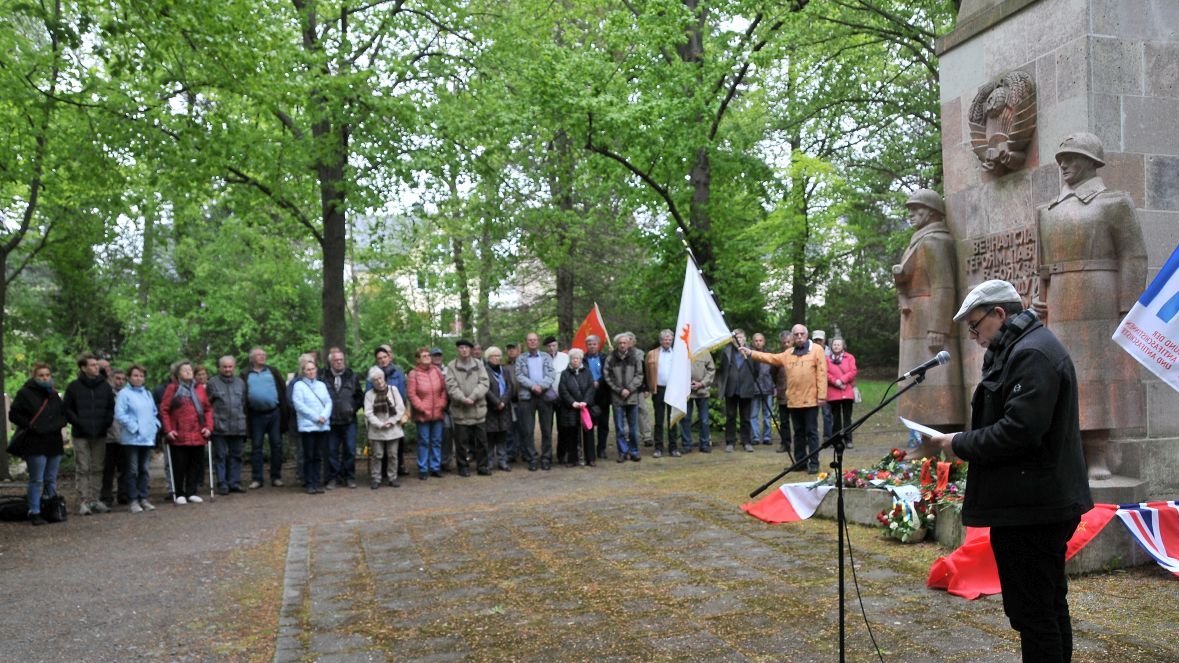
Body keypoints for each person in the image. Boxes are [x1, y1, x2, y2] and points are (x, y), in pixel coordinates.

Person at [930, 280, 1091, 663]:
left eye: (976, 325)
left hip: (1035, 508)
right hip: (1030, 503)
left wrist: (959, 443)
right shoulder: (1019, 348)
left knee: (1036, 614)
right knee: (1046, 606)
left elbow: (1020, 431)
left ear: (999, 314)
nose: (974, 336)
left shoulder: (1032, 353)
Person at [1034, 132, 1147, 481]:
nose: (1064, 164)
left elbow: (1134, 254)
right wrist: (1041, 297)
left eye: (1072, 157)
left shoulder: (1113, 203)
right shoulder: (1047, 211)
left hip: (1099, 294)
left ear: (1091, 162)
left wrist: (1126, 304)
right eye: (1061, 159)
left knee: (1097, 374)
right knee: (1062, 372)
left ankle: (1098, 450)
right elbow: (1043, 263)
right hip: (1060, 300)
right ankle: (1070, 449)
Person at [892, 188, 966, 440]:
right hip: (917, 318)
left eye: (917, 209)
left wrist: (938, 327)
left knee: (937, 382)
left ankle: (941, 439)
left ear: (933, 212)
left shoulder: (935, 240)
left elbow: (944, 286)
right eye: (910, 209)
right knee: (920, 385)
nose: (911, 214)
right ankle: (925, 439)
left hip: (929, 322)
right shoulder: (921, 239)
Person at [743, 324, 827, 473]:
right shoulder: (788, 354)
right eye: (796, 334)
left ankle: (814, 463)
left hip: (811, 399)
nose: (799, 337)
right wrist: (751, 353)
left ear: (806, 335)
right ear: (793, 337)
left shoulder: (817, 350)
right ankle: (800, 462)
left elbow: (822, 374)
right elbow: (770, 357)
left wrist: (822, 396)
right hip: (794, 401)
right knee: (798, 433)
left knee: (812, 433)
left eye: (802, 334)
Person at [9, 363, 67, 526]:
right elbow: (14, 415)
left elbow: (63, 415)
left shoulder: (54, 395)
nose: (45, 378)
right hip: (35, 441)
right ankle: (34, 511)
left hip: (53, 441)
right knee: (37, 479)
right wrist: (32, 426)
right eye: (41, 375)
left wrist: (58, 424)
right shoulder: (25, 393)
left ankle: (50, 507)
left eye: (47, 375)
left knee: (51, 478)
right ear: (35, 376)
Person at [64, 353, 116, 515]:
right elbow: (67, 409)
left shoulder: (105, 386)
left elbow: (110, 407)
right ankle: (84, 500)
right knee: (83, 467)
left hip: (100, 433)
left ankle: (95, 499)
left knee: (98, 467)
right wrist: (79, 422)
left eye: (97, 365)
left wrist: (105, 423)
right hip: (81, 434)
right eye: (92, 365)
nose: (96, 367)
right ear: (83, 367)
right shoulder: (73, 387)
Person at [161, 361, 213, 504]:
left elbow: (207, 409)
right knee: (180, 464)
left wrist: (208, 427)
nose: (188, 372)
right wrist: (168, 429)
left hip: (197, 432)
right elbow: (164, 410)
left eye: (190, 370)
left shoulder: (200, 389)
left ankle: (191, 491)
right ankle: (179, 493)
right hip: (178, 433)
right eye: (185, 370)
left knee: (195, 463)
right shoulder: (172, 388)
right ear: (178, 374)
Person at [242, 347, 289, 489]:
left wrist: (284, 411)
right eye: (259, 355)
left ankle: (276, 476)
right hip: (256, 415)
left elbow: (282, 390)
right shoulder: (245, 374)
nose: (262, 357)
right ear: (252, 358)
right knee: (256, 447)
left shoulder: (272, 371)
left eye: (264, 355)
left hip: (274, 413)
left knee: (276, 445)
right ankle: (257, 478)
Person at [115, 365, 160, 513]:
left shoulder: (147, 393)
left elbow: (154, 412)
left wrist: (155, 425)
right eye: (135, 375)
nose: (138, 378)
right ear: (129, 377)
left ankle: (143, 497)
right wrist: (134, 427)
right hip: (131, 438)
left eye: (141, 376)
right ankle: (133, 499)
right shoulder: (124, 394)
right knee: (132, 470)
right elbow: (120, 414)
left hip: (147, 438)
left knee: (144, 469)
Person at [445, 339, 491, 477]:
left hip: (478, 409)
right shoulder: (451, 366)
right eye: (461, 348)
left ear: (471, 350)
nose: (464, 350)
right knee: (461, 443)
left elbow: (484, 383)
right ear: (458, 350)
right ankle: (463, 467)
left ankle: (482, 466)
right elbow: (451, 386)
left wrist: (473, 396)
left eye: (466, 347)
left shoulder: (479, 365)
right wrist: (462, 398)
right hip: (461, 410)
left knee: (482, 442)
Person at [206, 355, 247, 495]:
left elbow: (243, 402)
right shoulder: (212, 382)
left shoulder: (240, 382)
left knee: (236, 455)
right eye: (225, 367)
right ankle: (222, 483)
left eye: (230, 366)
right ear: (219, 367)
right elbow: (207, 404)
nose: (227, 369)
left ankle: (234, 482)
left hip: (237, 425)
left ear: (234, 367)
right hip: (219, 426)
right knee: (221, 456)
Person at [515, 332, 556, 471]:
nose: (532, 342)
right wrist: (533, 386)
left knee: (546, 429)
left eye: (534, 340)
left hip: (544, 396)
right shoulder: (521, 358)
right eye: (529, 340)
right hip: (527, 396)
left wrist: (541, 386)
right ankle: (532, 458)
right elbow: (519, 375)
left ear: (538, 342)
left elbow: (551, 374)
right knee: (528, 429)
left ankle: (546, 458)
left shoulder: (546, 357)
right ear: (526, 342)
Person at [323, 348, 363, 489]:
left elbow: (359, 396)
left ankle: (349, 477)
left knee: (350, 450)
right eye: (336, 360)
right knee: (332, 451)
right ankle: (333, 478)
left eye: (341, 359)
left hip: (349, 420)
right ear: (330, 362)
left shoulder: (352, 376)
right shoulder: (323, 377)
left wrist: (353, 409)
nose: (339, 362)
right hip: (331, 421)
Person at [291, 356, 332, 494]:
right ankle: (309, 483)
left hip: (322, 426)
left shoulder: (321, 385)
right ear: (303, 371)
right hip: (308, 427)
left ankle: (316, 482)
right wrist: (316, 418)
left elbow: (328, 402)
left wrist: (324, 416)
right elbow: (299, 405)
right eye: (308, 370)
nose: (311, 372)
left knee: (318, 455)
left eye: (313, 369)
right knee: (308, 455)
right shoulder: (298, 386)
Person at [407, 346, 448, 480]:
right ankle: (423, 468)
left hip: (437, 411)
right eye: (424, 356)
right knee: (424, 441)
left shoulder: (436, 371)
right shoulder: (414, 374)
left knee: (437, 440)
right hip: (422, 413)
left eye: (428, 356)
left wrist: (442, 403)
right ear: (418, 359)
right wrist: (421, 407)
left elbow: (443, 390)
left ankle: (435, 467)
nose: (427, 358)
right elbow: (412, 394)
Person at [603, 331, 644, 462]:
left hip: (632, 397)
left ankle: (634, 451)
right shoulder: (611, 358)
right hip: (617, 398)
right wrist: (620, 390)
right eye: (620, 343)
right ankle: (622, 452)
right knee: (620, 428)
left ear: (629, 344)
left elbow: (640, 375)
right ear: (617, 344)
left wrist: (630, 389)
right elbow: (607, 376)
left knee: (633, 428)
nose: (622, 345)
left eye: (625, 343)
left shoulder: (635, 357)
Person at [363, 366, 407, 489]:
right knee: (377, 455)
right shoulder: (369, 395)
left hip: (393, 428)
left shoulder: (394, 390)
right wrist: (379, 423)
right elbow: (368, 412)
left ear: (384, 377)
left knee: (393, 455)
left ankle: (393, 477)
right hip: (377, 429)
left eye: (380, 378)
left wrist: (392, 421)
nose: (379, 381)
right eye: (375, 379)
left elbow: (400, 408)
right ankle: (376, 478)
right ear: (372, 382)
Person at [716, 329, 757, 453]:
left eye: (740, 337)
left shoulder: (751, 352)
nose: (738, 340)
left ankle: (746, 442)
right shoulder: (727, 352)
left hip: (746, 388)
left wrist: (750, 382)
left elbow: (756, 371)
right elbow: (722, 370)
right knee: (731, 416)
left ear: (745, 338)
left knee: (746, 418)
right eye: (736, 338)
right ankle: (730, 442)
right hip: (731, 389)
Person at [372, 344, 408, 479]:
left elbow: (403, 393)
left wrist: (400, 411)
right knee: (381, 443)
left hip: (396, 412)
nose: (382, 360)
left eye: (385, 357)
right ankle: (381, 471)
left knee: (397, 443)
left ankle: (396, 468)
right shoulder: (373, 373)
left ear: (389, 357)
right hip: (380, 413)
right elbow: (369, 394)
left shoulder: (398, 372)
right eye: (379, 358)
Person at [557, 348, 597, 467]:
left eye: (578, 358)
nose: (575, 361)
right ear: (570, 360)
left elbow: (591, 388)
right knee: (571, 433)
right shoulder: (565, 373)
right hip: (570, 408)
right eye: (573, 358)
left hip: (585, 407)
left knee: (588, 433)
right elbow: (562, 390)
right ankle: (572, 459)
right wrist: (572, 402)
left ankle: (590, 458)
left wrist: (585, 402)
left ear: (581, 359)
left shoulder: (587, 372)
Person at [644, 329, 679, 458]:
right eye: (665, 339)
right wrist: (649, 387)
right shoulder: (652, 354)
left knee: (673, 419)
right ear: (660, 341)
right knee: (659, 420)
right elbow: (647, 372)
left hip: (673, 389)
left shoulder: (677, 353)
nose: (667, 341)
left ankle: (673, 447)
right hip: (658, 389)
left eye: (669, 339)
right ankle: (658, 447)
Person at [483, 346, 518, 472]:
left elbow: (510, 386)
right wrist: (497, 402)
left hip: (504, 408)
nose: (497, 358)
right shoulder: (484, 371)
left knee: (503, 435)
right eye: (494, 356)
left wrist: (503, 401)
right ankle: (490, 462)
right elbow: (485, 389)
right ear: (488, 358)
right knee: (490, 437)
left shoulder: (504, 370)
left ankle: (503, 461)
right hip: (491, 408)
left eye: (499, 355)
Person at [100, 367, 130, 507]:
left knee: (124, 468)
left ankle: (123, 493)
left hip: (125, 436)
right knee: (108, 469)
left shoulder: (127, 394)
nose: (120, 382)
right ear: (111, 378)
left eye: (123, 379)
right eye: (117, 379)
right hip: (109, 436)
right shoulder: (105, 393)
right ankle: (106, 495)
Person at [678, 352, 715, 453]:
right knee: (685, 419)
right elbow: (676, 368)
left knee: (704, 419)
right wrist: (685, 382)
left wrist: (702, 383)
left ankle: (704, 444)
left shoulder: (705, 352)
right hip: (686, 391)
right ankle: (686, 445)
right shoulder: (682, 350)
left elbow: (711, 370)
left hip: (702, 391)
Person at [583, 335, 612, 460]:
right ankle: (589, 450)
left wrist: (599, 382)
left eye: (594, 344)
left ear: (598, 345)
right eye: (589, 344)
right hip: (587, 395)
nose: (592, 346)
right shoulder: (582, 359)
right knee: (588, 424)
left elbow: (609, 374)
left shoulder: (605, 358)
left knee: (603, 424)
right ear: (586, 346)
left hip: (603, 394)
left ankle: (601, 448)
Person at [826, 337, 858, 450]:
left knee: (847, 417)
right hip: (833, 393)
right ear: (831, 346)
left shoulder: (850, 357)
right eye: (834, 344)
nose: (836, 346)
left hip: (846, 392)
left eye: (838, 345)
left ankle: (848, 439)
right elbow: (825, 373)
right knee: (836, 418)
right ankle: (836, 440)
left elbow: (853, 371)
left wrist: (842, 380)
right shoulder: (827, 359)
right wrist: (836, 382)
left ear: (843, 346)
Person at [749, 333, 776, 446]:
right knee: (753, 415)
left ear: (764, 342)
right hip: (754, 389)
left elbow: (774, 373)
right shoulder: (749, 355)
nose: (758, 342)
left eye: (760, 340)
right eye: (756, 340)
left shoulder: (769, 355)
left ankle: (767, 437)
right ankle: (755, 437)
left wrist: (774, 387)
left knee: (767, 415)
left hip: (768, 388)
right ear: (753, 342)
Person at [811, 330, 833, 441]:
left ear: (824, 340)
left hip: (826, 387)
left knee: (827, 413)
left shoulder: (830, 354)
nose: (818, 342)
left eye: (820, 340)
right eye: (816, 340)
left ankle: (827, 437)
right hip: (811, 387)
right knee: (811, 414)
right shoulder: (808, 351)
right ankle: (810, 436)